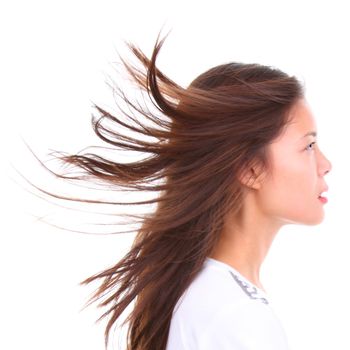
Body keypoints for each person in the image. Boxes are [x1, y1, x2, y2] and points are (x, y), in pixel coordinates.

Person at [27, 31, 332, 349]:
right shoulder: (237, 316)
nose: (326, 164)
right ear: (250, 169)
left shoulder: (207, 294)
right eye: (309, 145)